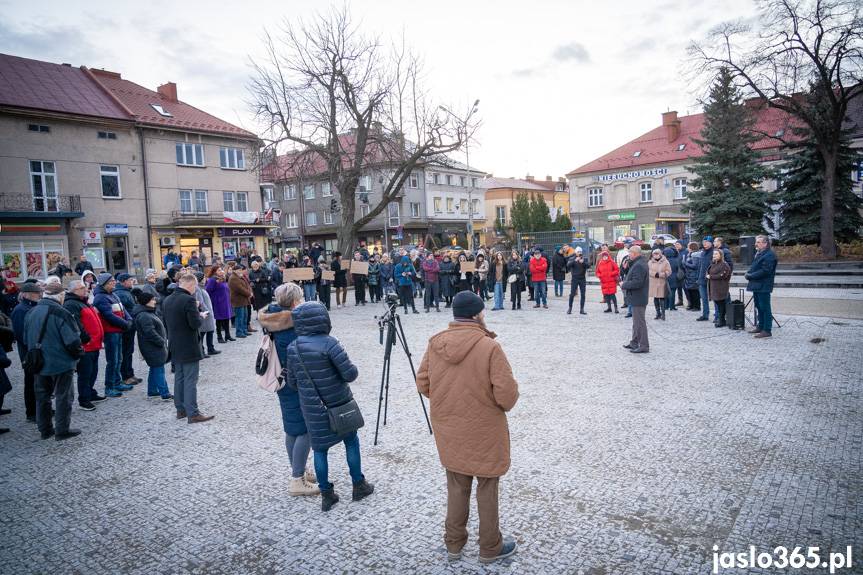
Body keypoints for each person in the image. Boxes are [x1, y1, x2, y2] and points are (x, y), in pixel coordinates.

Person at [416, 291, 519, 564]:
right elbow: (507, 397)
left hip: (449, 427)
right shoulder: (490, 347)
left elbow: (423, 383)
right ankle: (490, 547)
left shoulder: (436, 343)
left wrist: (448, 400)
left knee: (456, 486)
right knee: (487, 486)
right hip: (485, 429)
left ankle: (453, 545)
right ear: (476, 314)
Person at [283, 302, 374, 511]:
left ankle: (326, 495)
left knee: (320, 450)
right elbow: (350, 374)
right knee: (351, 442)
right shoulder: (330, 343)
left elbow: (292, 383)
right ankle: (358, 485)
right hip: (340, 404)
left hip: (313, 409)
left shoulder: (293, 348)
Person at [259, 283, 319, 496]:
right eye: (300, 298)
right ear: (294, 302)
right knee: (304, 430)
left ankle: (298, 470)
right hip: (296, 382)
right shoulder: (292, 325)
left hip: (282, 380)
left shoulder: (273, 319)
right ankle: (297, 480)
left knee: (292, 427)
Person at [23, 282, 83, 440]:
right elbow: (72, 341)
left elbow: (25, 338)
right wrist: (78, 355)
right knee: (64, 396)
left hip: (38, 361)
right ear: (61, 296)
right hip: (60, 361)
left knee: (42, 396)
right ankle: (62, 430)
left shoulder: (31, 312)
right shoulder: (61, 312)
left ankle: (45, 429)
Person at [163, 273, 214, 424]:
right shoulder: (189, 300)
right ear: (191, 284)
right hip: (188, 344)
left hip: (174, 343)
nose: (195, 289)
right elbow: (194, 324)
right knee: (191, 379)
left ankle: (181, 410)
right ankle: (193, 413)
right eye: (195, 286)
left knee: (179, 378)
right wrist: (200, 315)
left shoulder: (167, 299)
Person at [63, 280, 104, 410]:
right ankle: (84, 399)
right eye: (81, 288)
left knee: (93, 371)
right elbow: (76, 324)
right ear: (73, 291)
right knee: (85, 373)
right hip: (86, 345)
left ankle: (90, 393)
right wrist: (86, 339)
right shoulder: (71, 304)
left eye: (84, 287)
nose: (85, 289)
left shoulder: (83, 301)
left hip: (94, 344)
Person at [92, 273, 132, 397]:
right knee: (112, 360)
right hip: (110, 332)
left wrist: (129, 319)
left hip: (118, 331)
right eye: (111, 281)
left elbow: (123, 309)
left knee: (119, 358)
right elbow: (109, 315)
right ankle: (109, 386)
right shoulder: (100, 297)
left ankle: (117, 382)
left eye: (114, 281)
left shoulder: (113, 294)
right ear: (104, 284)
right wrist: (125, 324)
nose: (114, 283)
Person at [131, 290, 173, 400]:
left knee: (155, 369)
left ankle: (152, 391)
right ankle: (165, 393)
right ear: (147, 301)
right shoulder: (144, 315)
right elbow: (150, 332)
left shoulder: (147, 312)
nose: (155, 301)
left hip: (154, 347)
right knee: (159, 370)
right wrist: (161, 341)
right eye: (152, 299)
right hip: (152, 348)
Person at [11, 282, 42, 420]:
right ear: (26, 295)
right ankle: (32, 412)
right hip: (29, 353)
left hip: (36, 350)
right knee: (31, 382)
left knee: (40, 382)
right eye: (36, 293)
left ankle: (41, 408)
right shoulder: (20, 310)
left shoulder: (33, 307)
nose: (39, 295)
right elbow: (20, 334)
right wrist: (34, 346)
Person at [745, 235, 778, 338]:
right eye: (756, 242)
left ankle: (767, 330)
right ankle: (760, 326)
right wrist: (749, 272)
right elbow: (755, 267)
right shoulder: (760, 253)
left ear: (765, 243)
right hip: (757, 284)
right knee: (759, 306)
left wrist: (751, 276)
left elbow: (765, 271)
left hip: (764, 285)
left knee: (765, 307)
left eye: (758, 242)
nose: (756, 244)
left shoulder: (769, 255)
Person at [621, 246, 649, 353]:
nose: (628, 255)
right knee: (636, 322)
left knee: (639, 323)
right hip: (636, 297)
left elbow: (637, 282)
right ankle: (634, 342)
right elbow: (632, 276)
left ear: (635, 253)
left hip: (638, 297)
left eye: (630, 253)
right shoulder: (637, 263)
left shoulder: (639, 265)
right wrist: (625, 268)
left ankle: (644, 346)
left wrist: (624, 284)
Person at [114, 273, 140, 387]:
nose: (132, 282)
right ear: (124, 281)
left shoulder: (127, 291)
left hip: (130, 325)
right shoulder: (120, 293)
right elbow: (125, 311)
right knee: (125, 351)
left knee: (129, 351)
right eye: (130, 280)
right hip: (126, 327)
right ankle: (126, 376)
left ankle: (130, 374)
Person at [193, 272, 220, 358]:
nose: (205, 279)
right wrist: (207, 311)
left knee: (210, 331)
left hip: (209, 313)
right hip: (205, 314)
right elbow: (200, 302)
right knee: (202, 333)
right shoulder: (197, 288)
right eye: (203, 277)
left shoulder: (202, 287)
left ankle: (211, 348)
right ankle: (202, 351)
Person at [205, 265, 234, 344]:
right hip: (218, 302)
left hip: (226, 302)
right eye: (219, 270)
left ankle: (227, 335)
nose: (221, 271)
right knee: (219, 320)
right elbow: (208, 290)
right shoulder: (212, 280)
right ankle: (219, 337)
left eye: (221, 270)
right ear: (214, 272)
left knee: (226, 318)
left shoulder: (223, 278)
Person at [707, 250, 732, 328]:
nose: (714, 255)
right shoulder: (713, 264)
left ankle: (722, 321)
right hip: (714, 287)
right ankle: (722, 320)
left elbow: (723, 275)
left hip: (721, 288)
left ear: (721, 255)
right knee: (718, 304)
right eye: (713, 254)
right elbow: (708, 272)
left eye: (716, 254)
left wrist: (711, 276)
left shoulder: (724, 264)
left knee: (721, 304)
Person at [648, 249, 672, 320]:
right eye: (654, 254)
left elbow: (669, 271)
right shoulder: (650, 262)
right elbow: (647, 270)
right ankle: (658, 313)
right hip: (653, 282)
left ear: (660, 254)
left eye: (657, 254)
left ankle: (663, 314)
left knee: (662, 298)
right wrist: (654, 274)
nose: (656, 255)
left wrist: (661, 274)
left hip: (662, 282)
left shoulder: (665, 262)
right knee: (655, 298)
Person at [228, 266, 252, 338]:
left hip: (243, 300)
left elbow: (246, 285)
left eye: (241, 270)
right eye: (239, 270)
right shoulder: (233, 278)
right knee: (239, 318)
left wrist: (249, 292)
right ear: (235, 270)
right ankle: (239, 332)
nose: (241, 271)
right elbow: (240, 289)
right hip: (238, 300)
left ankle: (244, 330)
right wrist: (249, 293)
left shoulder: (239, 277)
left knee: (244, 316)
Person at [696, 237, 715, 322]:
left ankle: (718, 316)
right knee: (704, 298)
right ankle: (705, 314)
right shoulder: (702, 252)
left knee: (714, 298)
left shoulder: (714, 252)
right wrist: (698, 277)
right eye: (704, 242)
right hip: (701, 279)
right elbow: (700, 266)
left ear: (711, 243)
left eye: (707, 242)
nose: (705, 244)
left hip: (711, 279)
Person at [566, 247, 589, 315]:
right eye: (578, 252)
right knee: (572, 294)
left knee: (583, 294)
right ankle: (570, 308)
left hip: (582, 279)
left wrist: (583, 262)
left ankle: (582, 309)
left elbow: (588, 266)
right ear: (576, 252)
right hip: (575, 279)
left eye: (580, 252)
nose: (579, 253)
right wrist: (574, 261)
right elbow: (568, 266)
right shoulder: (572, 258)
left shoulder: (584, 259)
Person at [682, 242, 702, 312]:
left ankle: (697, 306)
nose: (687, 248)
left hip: (694, 276)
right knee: (690, 291)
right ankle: (692, 305)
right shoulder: (690, 254)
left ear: (692, 247)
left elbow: (695, 266)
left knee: (694, 292)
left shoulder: (695, 255)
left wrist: (685, 263)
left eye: (688, 247)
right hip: (689, 275)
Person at [663, 244, 681, 311]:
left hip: (666, 277)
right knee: (672, 292)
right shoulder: (676, 260)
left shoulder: (664, 261)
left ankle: (666, 306)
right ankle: (672, 306)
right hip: (674, 277)